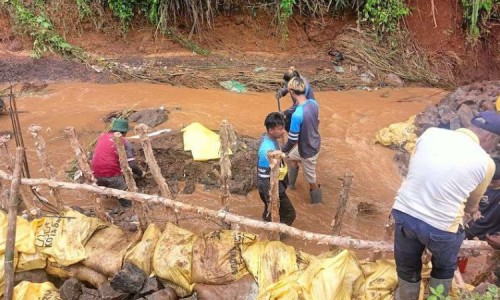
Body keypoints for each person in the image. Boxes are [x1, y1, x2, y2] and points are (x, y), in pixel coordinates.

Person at [391, 110, 500, 299]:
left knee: (407, 266)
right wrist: (473, 211)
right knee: (443, 269)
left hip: (404, 212)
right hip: (442, 226)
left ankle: (406, 296)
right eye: (495, 142)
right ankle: (436, 296)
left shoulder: (431, 133)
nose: (492, 147)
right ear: (489, 137)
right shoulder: (486, 163)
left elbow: (414, 169)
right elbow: (471, 203)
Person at [281, 76, 321, 204]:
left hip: (308, 150)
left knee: (311, 180)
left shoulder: (297, 114)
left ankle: (317, 203)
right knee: (292, 158)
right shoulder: (313, 104)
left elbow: (292, 139)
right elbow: (317, 121)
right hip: (314, 142)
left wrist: (283, 150)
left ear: (291, 92)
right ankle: (291, 185)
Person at [91, 118, 145, 207]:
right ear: (124, 132)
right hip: (112, 174)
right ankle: (127, 211)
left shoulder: (102, 136)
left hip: (95, 173)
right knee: (125, 198)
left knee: (103, 192)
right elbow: (132, 165)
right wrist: (141, 174)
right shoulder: (124, 142)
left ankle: (107, 205)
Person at [257, 112, 296, 226]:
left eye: (283, 128)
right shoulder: (266, 151)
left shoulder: (268, 137)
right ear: (270, 130)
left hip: (270, 184)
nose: (283, 131)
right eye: (280, 129)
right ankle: (277, 238)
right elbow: (264, 175)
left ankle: (266, 225)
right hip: (270, 186)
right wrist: (275, 193)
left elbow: (281, 151)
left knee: (270, 211)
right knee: (289, 214)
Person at [465, 156, 500, 240]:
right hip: (469, 228)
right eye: (487, 180)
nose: (488, 183)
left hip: (489, 235)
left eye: (492, 181)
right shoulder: (477, 184)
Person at [275, 67, 316, 132]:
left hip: (307, 109)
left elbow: (298, 104)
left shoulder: (303, 85)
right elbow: (287, 87)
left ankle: (294, 139)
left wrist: (284, 113)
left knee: (303, 129)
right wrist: (281, 93)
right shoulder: (294, 80)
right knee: (288, 124)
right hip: (299, 107)